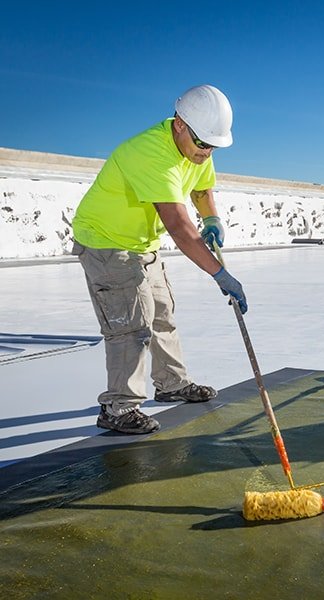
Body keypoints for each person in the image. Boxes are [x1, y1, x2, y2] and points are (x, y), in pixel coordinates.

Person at [71, 84, 248, 434]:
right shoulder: (150, 153)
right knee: (131, 325)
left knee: (163, 314)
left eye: (214, 145)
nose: (207, 151)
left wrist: (212, 218)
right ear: (180, 125)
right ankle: (118, 407)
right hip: (107, 241)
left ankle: (172, 384)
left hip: (143, 242)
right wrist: (219, 274)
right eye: (203, 143)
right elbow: (180, 228)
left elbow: (201, 188)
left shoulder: (197, 150)